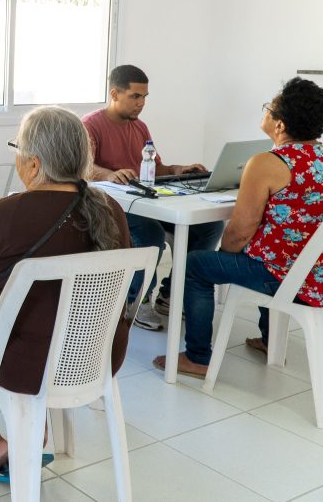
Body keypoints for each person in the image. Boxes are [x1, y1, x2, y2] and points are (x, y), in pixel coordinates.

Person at [0, 105, 131, 481]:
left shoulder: (5, 214)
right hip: (95, 357)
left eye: (18, 149)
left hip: (25, 366)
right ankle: (37, 432)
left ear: (35, 164)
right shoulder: (112, 211)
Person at [153, 77, 323, 378]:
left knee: (195, 265)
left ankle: (197, 358)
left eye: (269, 108)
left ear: (280, 125)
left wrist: (225, 256)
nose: (265, 113)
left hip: (291, 279)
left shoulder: (267, 163)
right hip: (322, 274)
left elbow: (239, 231)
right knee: (262, 248)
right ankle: (269, 339)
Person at [82, 64, 224, 331]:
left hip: (146, 201)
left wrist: (178, 170)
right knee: (150, 235)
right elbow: (84, 168)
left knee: (209, 226)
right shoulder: (90, 124)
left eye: (145, 97)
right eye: (135, 96)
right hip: (108, 205)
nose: (141, 103)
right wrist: (109, 174)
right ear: (114, 93)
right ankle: (136, 301)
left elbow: (154, 167)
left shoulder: (140, 127)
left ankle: (171, 294)